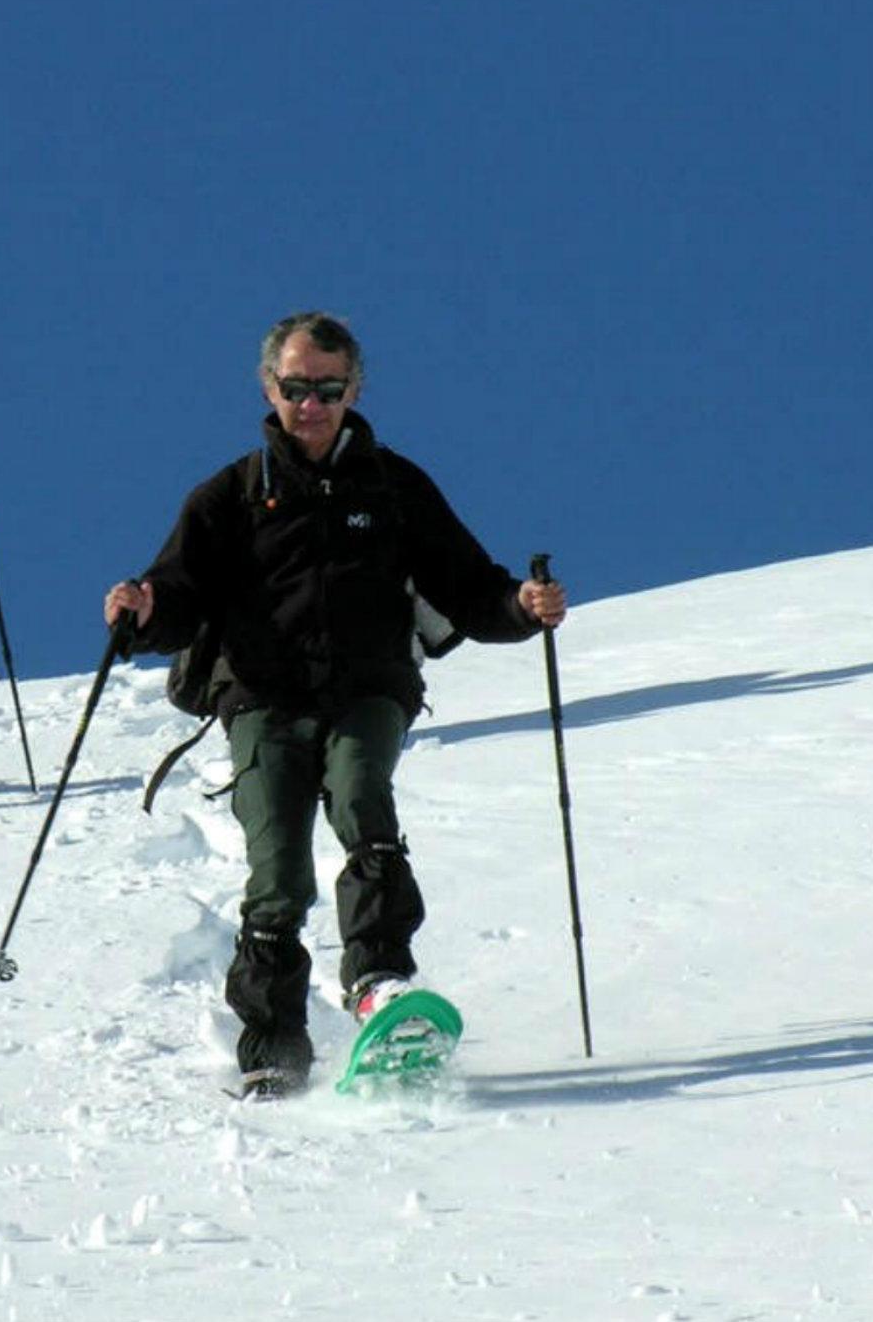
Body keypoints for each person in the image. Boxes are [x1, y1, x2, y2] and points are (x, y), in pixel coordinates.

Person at [104, 311, 567, 1095]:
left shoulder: (395, 486)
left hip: (368, 686)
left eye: (327, 388)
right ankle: (273, 1052)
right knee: (277, 873)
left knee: (363, 802)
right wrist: (143, 609)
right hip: (260, 699)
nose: (310, 405)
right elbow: (178, 591)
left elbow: (467, 584)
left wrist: (523, 605)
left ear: (353, 389)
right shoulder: (231, 495)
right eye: (295, 389)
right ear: (268, 388)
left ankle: (380, 982)